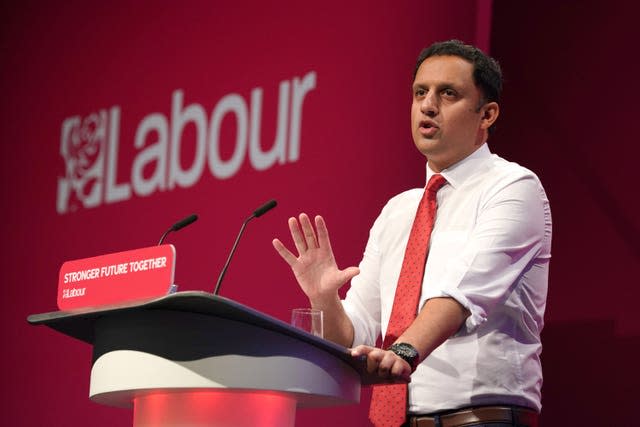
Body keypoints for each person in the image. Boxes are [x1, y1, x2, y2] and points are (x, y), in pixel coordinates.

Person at [273, 40, 551, 427]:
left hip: (480, 419)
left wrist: (403, 352)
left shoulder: (512, 187)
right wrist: (324, 298)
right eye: (420, 92)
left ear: (486, 114)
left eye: (447, 93)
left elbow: (462, 293)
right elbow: (354, 336)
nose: (428, 105)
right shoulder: (398, 211)